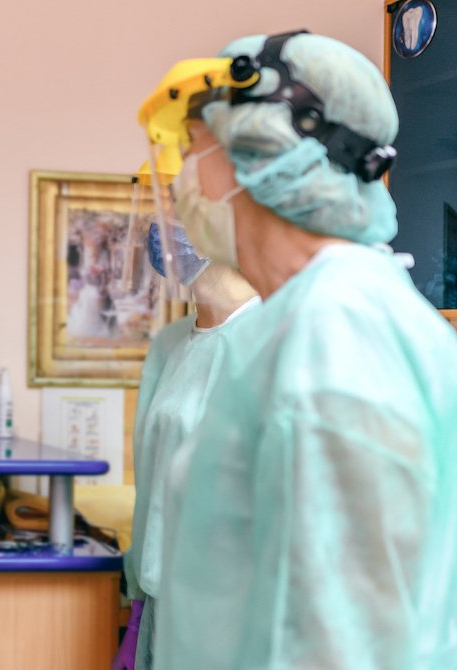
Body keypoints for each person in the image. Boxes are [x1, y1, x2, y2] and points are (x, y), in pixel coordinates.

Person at [142, 31, 457, 669]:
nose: (178, 183)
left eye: (193, 150)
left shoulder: (337, 333)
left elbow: (343, 639)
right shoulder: (307, 319)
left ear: (257, 156)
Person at [114, 222, 259, 670]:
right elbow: (149, 472)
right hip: (161, 596)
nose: (162, 225)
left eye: (179, 204)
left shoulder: (267, 340)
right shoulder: (172, 345)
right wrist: (137, 598)